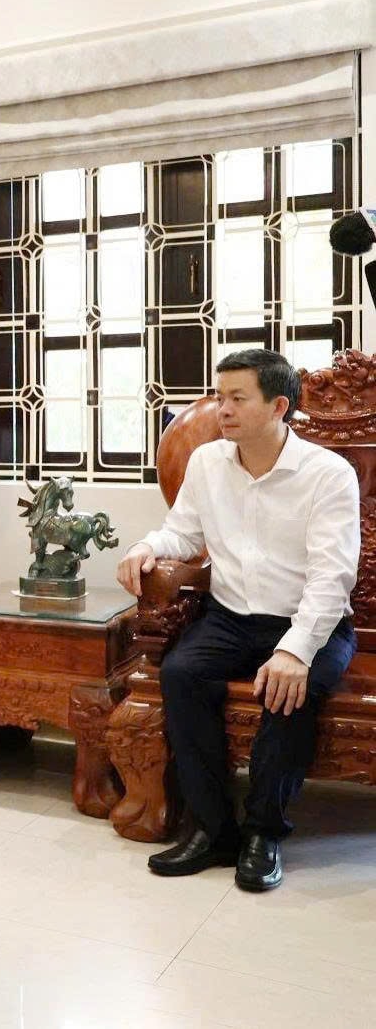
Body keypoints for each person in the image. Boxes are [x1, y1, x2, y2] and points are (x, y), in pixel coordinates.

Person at [117, 349, 357, 892]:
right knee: (182, 674)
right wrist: (146, 546)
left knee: (290, 692)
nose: (222, 409)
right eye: (220, 396)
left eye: (237, 398)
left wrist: (295, 650)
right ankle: (214, 830)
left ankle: (264, 833)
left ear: (278, 406)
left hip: (310, 623)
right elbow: (182, 532)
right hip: (229, 618)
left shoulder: (327, 474)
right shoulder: (208, 462)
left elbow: (332, 576)